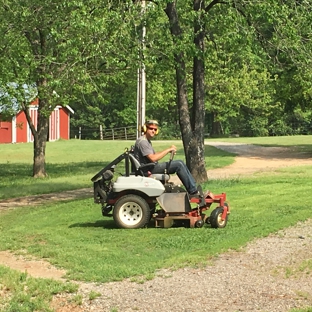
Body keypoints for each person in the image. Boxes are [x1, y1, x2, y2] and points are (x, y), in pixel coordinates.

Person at [133, 119, 200, 196]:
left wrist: (168, 150)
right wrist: (168, 150)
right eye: (151, 128)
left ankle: (193, 187)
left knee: (180, 162)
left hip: (151, 167)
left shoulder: (146, 141)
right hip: (148, 169)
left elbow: (153, 155)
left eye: (155, 129)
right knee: (178, 165)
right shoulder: (143, 142)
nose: (153, 131)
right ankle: (193, 191)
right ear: (145, 129)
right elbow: (153, 158)